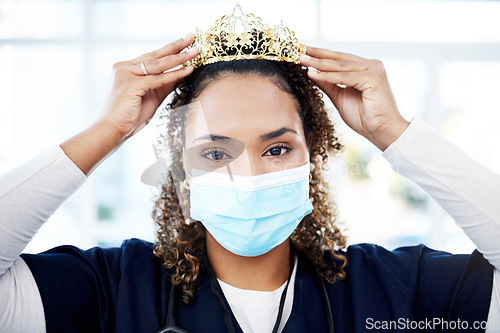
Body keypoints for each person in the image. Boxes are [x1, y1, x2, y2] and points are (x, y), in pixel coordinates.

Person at [1, 5, 500, 333]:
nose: (252, 177)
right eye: (215, 154)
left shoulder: (398, 291)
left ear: (314, 152)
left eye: (277, 149)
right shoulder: (110, 292)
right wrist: (106, 130)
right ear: (181, 169)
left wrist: (392, 131)